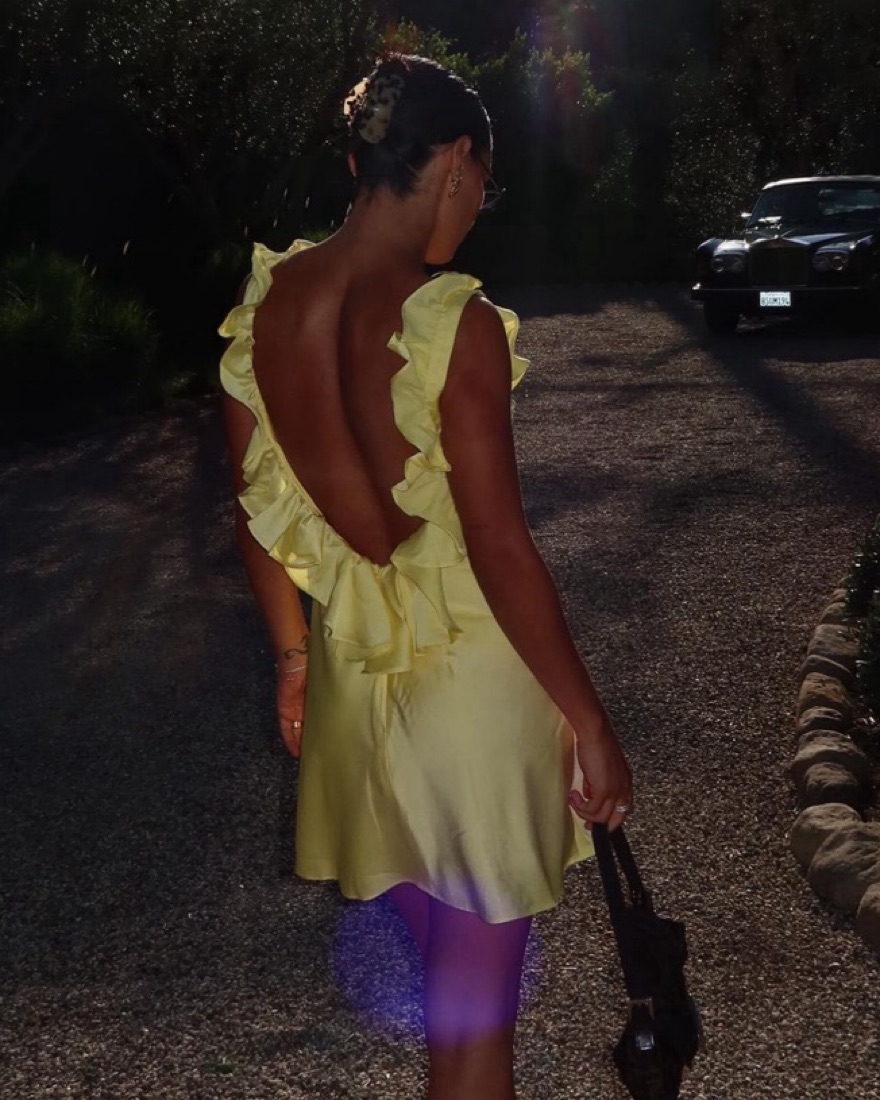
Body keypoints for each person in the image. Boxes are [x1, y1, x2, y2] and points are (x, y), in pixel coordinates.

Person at [219, 53, 632, 1100]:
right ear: (454, 161)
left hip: (357, 685)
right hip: (475, 695)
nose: (480, 204)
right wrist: (589, 721)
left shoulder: (267, 304)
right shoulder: (454, 321)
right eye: (484, 180)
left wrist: (293, 661)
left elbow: (256, 508)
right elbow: (496, 543)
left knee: (454, 1012)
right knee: (475, 1031)